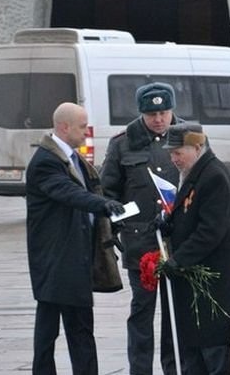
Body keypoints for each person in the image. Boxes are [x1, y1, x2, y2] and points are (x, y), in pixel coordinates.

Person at [25, 102, 126, 375]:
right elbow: (68, 192)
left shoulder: (72, 158)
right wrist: (103, 205)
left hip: (74, 258)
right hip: (55, 259)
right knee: (48, 331)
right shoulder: (46, 162)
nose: (86, 131)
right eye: (82, 127)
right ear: (64, 127)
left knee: (80, 329)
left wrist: (110, 215)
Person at [100, 82, 182, 375]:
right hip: (140, 244)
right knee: (142, 312)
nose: (159, 119)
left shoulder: (187, 135)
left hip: (178, 243)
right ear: (141, 114)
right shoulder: (122, 143)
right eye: (152, 114)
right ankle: (140, 370)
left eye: (163, 113)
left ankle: (174, 368)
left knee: (175, 313)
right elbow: (107, 191)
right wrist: (116, 225)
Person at [157, 123, 230, 375]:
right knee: (193, 350)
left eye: (178, 152)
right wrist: (168, 224)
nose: (173, 159)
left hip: (212, 284)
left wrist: (178, 260)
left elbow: (210, 232)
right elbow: (190, 215)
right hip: (194, 282)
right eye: (171, 153)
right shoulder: (195, 172)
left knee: (213, 350)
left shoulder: (214, 176)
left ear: (197, 147)